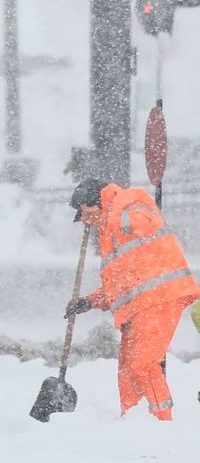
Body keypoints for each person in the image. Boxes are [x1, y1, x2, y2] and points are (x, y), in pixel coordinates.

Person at [65, 178, 200, 420]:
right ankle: (134, 419)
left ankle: (161, 422)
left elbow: (143, 219)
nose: (85, 220)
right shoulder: (109, 233)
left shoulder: (129, 201)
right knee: (128, 369)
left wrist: (115, 214)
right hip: (139, 305)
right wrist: (89, 302)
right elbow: (119, 285)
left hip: (159, 297)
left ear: (94, 202)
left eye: (84, 213)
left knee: (143, 364)